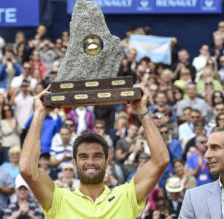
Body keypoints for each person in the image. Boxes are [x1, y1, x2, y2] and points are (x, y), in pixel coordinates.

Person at [19, 86, 169, 218]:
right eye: (84, 157)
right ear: (74, 163)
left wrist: (142, 110)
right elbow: (27, 170)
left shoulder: (126, 196)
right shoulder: (59, 200)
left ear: (106, 161)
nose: (90, 162)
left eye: (97, 156)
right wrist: (39, 112)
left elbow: (160, 161)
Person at [179, 127, 224, 218]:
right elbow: (189, 173)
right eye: (207, 147)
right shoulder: (193, 197)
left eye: (215, 147)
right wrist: (199, 166)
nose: (207, 155)